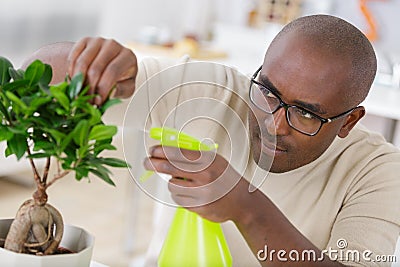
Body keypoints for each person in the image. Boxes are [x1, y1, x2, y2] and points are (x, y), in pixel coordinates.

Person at [26, 14, 400, 266]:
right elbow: (38, 79)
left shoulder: (379, 173)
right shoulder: (217, 91)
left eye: (306, 113)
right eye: (268, 91)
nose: (273, 123)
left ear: (349, 121)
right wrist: (94, 62)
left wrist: (247, 209)